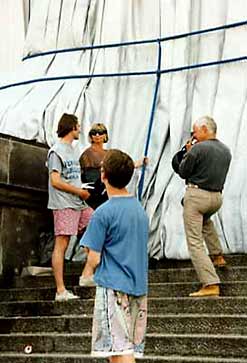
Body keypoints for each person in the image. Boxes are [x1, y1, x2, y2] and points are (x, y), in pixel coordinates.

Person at [79, 149, 149, 363]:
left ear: (103, 175)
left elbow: (94, 257)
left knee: (119, 352)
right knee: (122, 350)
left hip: (113, 288)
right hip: (138, 286)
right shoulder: (139, 209)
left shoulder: (103, 212)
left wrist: (86, 273)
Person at [172, 116, 231, 297]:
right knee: (205, 222)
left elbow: (183, 171)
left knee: (194, 242)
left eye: (195, 131)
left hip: (197, 196)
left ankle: (210, 283)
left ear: (205, 129)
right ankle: (217, 256)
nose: (193, 135)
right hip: (216, 197)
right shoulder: (225, 150)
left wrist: (188, 152)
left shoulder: (197, 149)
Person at [47, 113, 93, 302]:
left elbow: (70, 176)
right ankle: (60, 291)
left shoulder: (72, 150)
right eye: (78, 126)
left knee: (95, 226)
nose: (80, 130)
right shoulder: (56, 151)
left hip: (77, 202)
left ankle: (88, 274)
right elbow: (55, 180)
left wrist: (81, 189)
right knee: (62, 243)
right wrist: (79, 191)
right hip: (65, 203)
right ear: (72, 127)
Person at [79, 123, 109, 209]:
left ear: (105, 135)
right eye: (94, 132)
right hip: (92, 195)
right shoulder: (86, 154)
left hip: (106, 193)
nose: (97, 135)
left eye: (100, 132)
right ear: (90, 136)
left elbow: (120, 166)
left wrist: (139, 163)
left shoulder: (108, 154)